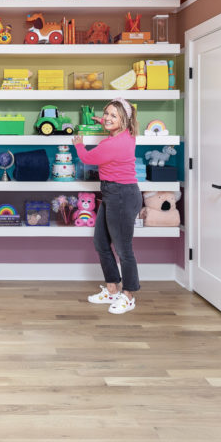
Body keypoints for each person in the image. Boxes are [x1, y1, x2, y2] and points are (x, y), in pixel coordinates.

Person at [71, 98, 143, 314]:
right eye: (106, 114)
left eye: (114, 115)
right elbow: (112, 122)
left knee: (124, 249)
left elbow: (86, 157)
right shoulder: (127, 135)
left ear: (124, 119)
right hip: (113, 193)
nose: (108, 119)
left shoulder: (113, 144)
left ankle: (128, 295)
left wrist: (78, 143)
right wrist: (103, 120)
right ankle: (112, 289)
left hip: (122, 195)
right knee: (101, 242)